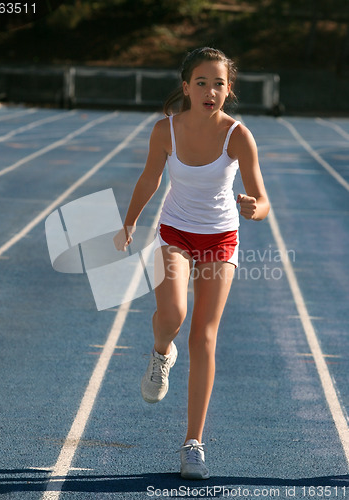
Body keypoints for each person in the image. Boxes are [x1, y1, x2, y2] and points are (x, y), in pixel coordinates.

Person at [114, 47, 270, 479]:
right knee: (173, 316)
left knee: (204, 335)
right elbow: (150, 177)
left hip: (221, 238)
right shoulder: (165, 130)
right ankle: (162, 351)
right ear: (186, 87)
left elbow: (263, 200)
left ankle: (193, 443)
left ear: (229, 90)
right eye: (201, 82)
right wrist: (129, 222)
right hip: (176, 233)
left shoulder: (238, 135)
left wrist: (252, 207)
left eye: (218, 83)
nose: (210, 91)